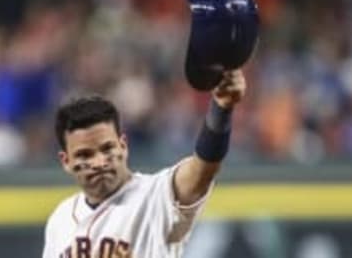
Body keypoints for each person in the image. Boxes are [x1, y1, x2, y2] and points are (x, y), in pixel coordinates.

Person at [42, 69, 246, 258]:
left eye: (107, 148)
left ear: (123, 145)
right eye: (85, 155)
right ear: (66, 161)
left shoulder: (156, 195)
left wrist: (221, 109)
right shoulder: (60, 219)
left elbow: (203, 168)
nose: (99, 162)